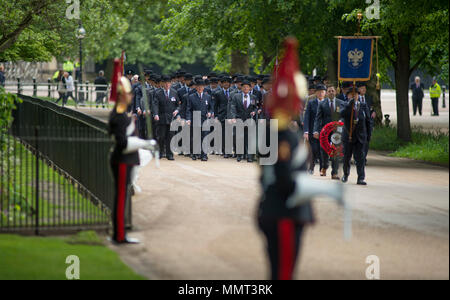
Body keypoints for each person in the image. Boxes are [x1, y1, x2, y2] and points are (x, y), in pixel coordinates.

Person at [257, 37, 314, 280]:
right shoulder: (283, 138)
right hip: (284, 213)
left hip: (279, 210)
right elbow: (285, 181)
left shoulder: (280, 134)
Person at [108, 64, 154, 244]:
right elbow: (123, 143)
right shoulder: (118, 115)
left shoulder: (122, 113)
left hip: (127, 160)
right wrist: (145, 143)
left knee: (123, 197)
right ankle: (119, 235)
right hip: (122, 160)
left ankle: (121, 233)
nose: (131, 96)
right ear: (122, 95)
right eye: (128, 94)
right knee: (120, 198)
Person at [340, 88, 371, 185]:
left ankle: (361, 178)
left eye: (356, 94)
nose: (354, 96)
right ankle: (345, 174)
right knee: (346, 157)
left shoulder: (363, 106)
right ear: (347, 96)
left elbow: (368, 121)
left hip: (360, 137)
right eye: (351, 94)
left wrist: (368, 135)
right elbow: (342, 114)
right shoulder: (344, 105)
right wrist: (350, 105)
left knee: (360, 158)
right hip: (348, 136)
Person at [313, 85, 344, 180]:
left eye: (332, 91)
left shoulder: (341, 103)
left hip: (336, 131)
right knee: (324, 149)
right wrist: (316, 131)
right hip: (325, 130)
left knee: (336, 150)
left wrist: (341, 122)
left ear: (335, 92)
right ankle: (324, 166)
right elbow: (318, 118)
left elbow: (344, 115)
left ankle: (334, 172)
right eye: (329, 91)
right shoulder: (322, 104)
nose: (331, 92)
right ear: (327, 93)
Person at [153, 75, 180, 160]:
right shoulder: (158, 93)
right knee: (161, 136)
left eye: (169, 83)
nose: (167, 84)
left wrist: (177, 110)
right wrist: (156, 114)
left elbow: (178, 105)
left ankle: (169, 154)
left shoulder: (174, 92)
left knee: (170, 137)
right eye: (166, 83)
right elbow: (155, 104)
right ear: (163, 84)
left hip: (171, 118)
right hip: (161, 117)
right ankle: (160, 153)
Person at [230, 80, 258, 162]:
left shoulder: (253, 97)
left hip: (249, 120)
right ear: (241, 88)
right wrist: (233, 117)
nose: (246, 88)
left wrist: (254, 111)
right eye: (244, 87)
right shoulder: (236, 96)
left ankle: (249, 156)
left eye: (247, 87)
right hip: (239, 119)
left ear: (250, 88)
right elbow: (233, 107)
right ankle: (239, 155)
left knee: (249, 138)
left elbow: (255, 107)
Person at [186, 78, 214, 161]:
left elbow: (211, 108)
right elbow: (188, 109)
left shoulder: (208, 96)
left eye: (201, 86)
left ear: (204, 87)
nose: (200, 88)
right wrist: (188, 119)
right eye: (198, 86)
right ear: (195, 87)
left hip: (205, 119)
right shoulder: (191, 97)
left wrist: (210, 112)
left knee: (204, 137)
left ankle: (204, 155)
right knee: (196, 137)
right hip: (195, 118)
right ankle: (195, 154)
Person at [303, 84, 327, 175]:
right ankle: (311, 168)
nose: (320, 94)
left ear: (325, 93)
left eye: (322, 92)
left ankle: (322, 168)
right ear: (316, 93)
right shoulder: (311, 103)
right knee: (313, 150)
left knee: (323, 150)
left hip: (324, 131)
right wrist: (306, 131)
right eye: (319, 92)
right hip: (312, 131)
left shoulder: (327, 103)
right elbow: (307, 117)